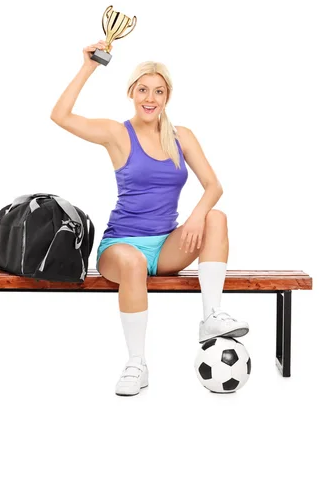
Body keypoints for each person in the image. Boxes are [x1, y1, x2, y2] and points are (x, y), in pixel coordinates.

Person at [50, 39, 249, 397]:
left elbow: (214, 186)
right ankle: (136, 363)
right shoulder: (116, 134)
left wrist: (195, 217)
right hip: (122, 248)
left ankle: (211, 318)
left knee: (216, 217)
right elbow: (60, 116)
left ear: (167, 97)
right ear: (131, 92)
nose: (150, 97)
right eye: (143, 89)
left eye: (159, 91)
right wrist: (89, 66)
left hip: (167, 245)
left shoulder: (180, 136)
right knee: (133, 261)